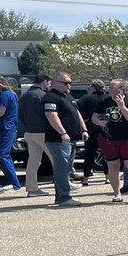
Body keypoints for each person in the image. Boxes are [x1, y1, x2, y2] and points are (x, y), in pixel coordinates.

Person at [87, 78, 128, 203]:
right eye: (109, 87)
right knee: (113, 165)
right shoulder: (104, 102)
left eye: (113, 87)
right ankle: (117, 194)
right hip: (109, 138)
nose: (110, 89)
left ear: (122, 89)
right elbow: (94, 117)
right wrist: (99, 122)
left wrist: (122, 107)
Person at [42, 72, 87, 206]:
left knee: (67, 169)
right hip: (58, 140)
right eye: (66, 83)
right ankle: (63, 197)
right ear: (56, 83)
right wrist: (62, 133)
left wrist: (84, 129)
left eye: (70, 82)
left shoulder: (68, 97)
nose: (69, 85)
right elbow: (52, 116)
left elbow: (76, 113)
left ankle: (63, 195)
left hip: (71, 139)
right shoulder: (50, 97)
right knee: (61, 169)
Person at [19, 73, 51, 197]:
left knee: (33, 161)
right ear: (44, 81)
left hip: (29, 131)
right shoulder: (43, 96)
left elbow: (20, 114)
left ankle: (32, 188)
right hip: (43, 131)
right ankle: (65, 185)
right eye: (48, 82)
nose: (49, 85)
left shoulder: (24, 96)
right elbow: (48, 115)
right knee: (57, 159)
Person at [76, 80, 107, 187]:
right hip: (105, 128)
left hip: (90, 128)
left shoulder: (86, 98)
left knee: (89, 154)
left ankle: (85, 178)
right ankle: (107, 177)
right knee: (106, 154)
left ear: (92, 88)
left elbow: (76, 108)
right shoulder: (107, 98)